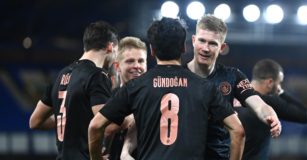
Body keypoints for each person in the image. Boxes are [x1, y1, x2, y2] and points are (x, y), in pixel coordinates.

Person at [88, 17, 245, 160]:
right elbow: (238, 131)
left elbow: (95, 126)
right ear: (184, 47)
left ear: (152, 50)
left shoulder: (135, 87)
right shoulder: (205, 87)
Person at [184, 14, 282, 159]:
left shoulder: (232, 76)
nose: (205, 48)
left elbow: (258, 104)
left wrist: (271, 115)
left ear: (222, 47)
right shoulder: (177, 75)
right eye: (202, 41)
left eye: (213, 43)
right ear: (193, 40)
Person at [29, 21, 118, 160]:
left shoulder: (60, 75)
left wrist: (68, 119)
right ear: (110, 47)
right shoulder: (97, 76)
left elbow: (35, 121)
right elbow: (106, 125)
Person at [234, 59, 307, 160]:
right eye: (279, 83)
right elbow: (304, 115)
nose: (279, 86)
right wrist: (281, 92)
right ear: (270, 82)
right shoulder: (268, 101)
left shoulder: (233, 96)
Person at [103, 36, 147, 160]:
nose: (137, 66)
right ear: (117, 67)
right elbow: (102, 130)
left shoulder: (155, 96)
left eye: (141, 61)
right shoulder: (107, 97)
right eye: (130, 61)